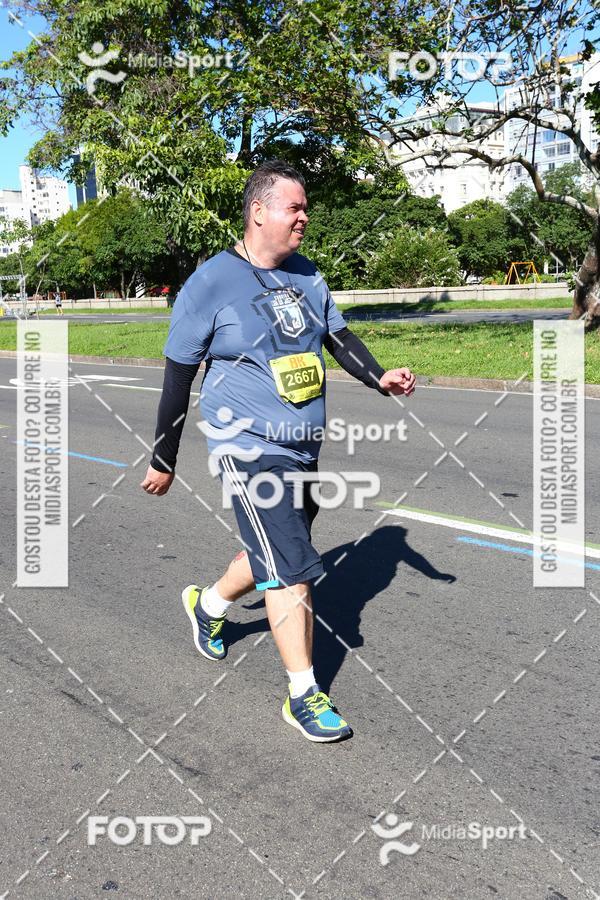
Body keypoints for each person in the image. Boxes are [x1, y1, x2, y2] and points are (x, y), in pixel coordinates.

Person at [141, 159, 416, 743]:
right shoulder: (211, 281)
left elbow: (338, 336)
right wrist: (164, 457)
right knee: (291, 567)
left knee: (276, 546)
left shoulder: (308, 275)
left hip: (301, 447)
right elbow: (177, 378)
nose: (304, 218)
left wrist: (379, 378)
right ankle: (303, 694)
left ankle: (208, 606)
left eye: (305, 207)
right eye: (295, 207)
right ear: (258, 211)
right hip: (245, 447)